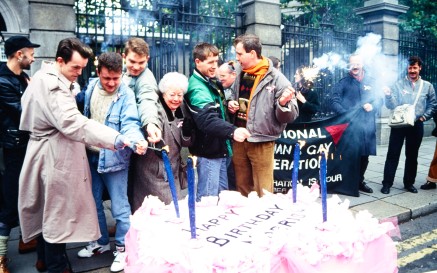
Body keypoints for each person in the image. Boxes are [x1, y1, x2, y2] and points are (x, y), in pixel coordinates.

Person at [18, 37, 135, 273]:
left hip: (47, 152)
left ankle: (45, 260)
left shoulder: (45, 77)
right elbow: (75, 123)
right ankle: (57, 266)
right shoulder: (53, 86)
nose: (79, 73)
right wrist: (115, 138)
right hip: (53, 156)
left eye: (83, 68)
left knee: (47, 211)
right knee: (56, 214)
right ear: (60, 61)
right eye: (75, 67)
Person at [75, 52, 147, 272]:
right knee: (93, 204)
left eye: (116, 78)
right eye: (107, 78)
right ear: (98, 73)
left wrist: (137, 141)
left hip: (115, 158)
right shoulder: (89, 88)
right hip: (90, 155)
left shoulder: (125, 94)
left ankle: (123, 250)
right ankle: (101, 243)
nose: (112, 83)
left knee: (119, 208)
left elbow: (131, 123)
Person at [230, 33, 298, 197]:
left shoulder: (277, 78)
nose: (237, 58)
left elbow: (292, 114)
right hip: (240, 139)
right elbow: (233, 97)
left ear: (252, 53)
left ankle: (263, 218)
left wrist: (282, 104)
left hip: (262, 141)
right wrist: (231, 104)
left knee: (264, 191)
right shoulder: (242, 73)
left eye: (239, 54)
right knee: (242, 187)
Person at [185, 42, 251, 202]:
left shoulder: (209, 80)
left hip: (219, 149)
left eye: (216, 61)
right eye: (210, 62)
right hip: (208, 153)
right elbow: (206, 120)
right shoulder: (197, 88)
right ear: (197, 62)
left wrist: (228, 107)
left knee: (221, 201)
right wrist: (233, 130)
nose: (215, 66)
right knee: (208, 202)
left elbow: (216, 110)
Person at [0, 35, 40, 273]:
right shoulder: (3, 82)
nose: (33, 57)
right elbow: (24, 112)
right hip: (14, 147)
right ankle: (1, 256)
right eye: (30, 53)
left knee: (30, 194)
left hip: (26, 144)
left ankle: (27, 239)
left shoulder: (22, 76)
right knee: (10, 200)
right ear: (19, 54)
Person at [130, 72, 192, 210]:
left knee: (174, 209)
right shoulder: (157, 109)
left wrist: (187, 134)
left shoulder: (182, 108)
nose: (176, 99)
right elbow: (152, 126)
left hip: (173, 168)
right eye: (172, 95)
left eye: (180, 95)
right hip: (154, 169)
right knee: (162, 209)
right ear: (163, 94)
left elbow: (185, 143)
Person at [381, 56, 437, 194]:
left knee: (412, 156)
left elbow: (433, 104)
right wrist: (388, 95)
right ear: (407, 68)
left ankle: (409, 183)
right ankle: (387, 183)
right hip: (399, 125)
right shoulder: (398, 84)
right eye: (410, 68)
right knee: (392, 154)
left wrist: (424, 117)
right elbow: (391, 105)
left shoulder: (427, 86)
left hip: (417, 125)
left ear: (420, 68)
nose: (412, 70)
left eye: (415, 68)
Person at [330, 54, 381, 194]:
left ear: (362, 64)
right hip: (350, 128)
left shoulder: (371, 81)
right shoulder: (343, 83)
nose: (355, 66)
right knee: (350, 156)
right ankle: (348, 182)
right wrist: (347, 114)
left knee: (365, 156)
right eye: (352, 64)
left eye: (358, 63)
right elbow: (334, 101)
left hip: (367, 127)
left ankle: (359, 181)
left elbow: (379, 99)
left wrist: (373, 106)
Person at [122, 37, 161, 143]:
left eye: (141, 62)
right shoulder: (121, 71)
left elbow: (147, 100)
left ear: (147, 59)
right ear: (124, 57)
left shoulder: (146, 78)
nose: (136, 67)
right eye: (132, 61)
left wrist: (150, 123)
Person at [218, 61, 238, 190]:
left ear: (233, 75)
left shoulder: (239, 86)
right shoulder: (223, 88)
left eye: (223, 76)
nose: (220, 79)